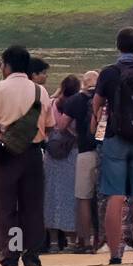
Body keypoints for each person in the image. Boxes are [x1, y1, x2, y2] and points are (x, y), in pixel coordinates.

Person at [0, 44, 54, 266]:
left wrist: (4, 134)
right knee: (32, 207)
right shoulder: (39, 91)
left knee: (6, 208)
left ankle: (11, 253)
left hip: (5, 155)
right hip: (33, 155)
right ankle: (32, 253)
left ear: (8, 66)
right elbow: (50, 126)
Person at [94, 27, 133, 265]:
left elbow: (97, 103)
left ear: (117, 46)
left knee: (116, 195)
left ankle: (115, 254)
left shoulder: (109, 73)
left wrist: (96, 129)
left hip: (115, 137)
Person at [59, 67, 98, 253]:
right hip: (107, 152)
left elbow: (61, 126)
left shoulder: (75, 100)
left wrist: (76, 134)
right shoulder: (106, 98)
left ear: (83, 83)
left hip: (84, 152)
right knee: (106, 197)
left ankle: (85, 241)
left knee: (84, 197)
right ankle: (104, 238)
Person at [43, 75, 80, 252]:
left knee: (51, 195)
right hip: (71, 154)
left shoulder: (51, 104)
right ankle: (71, 241)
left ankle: (53, 242)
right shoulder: (76, 105)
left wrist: (57, 92)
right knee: (70, 195)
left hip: (51, 154)